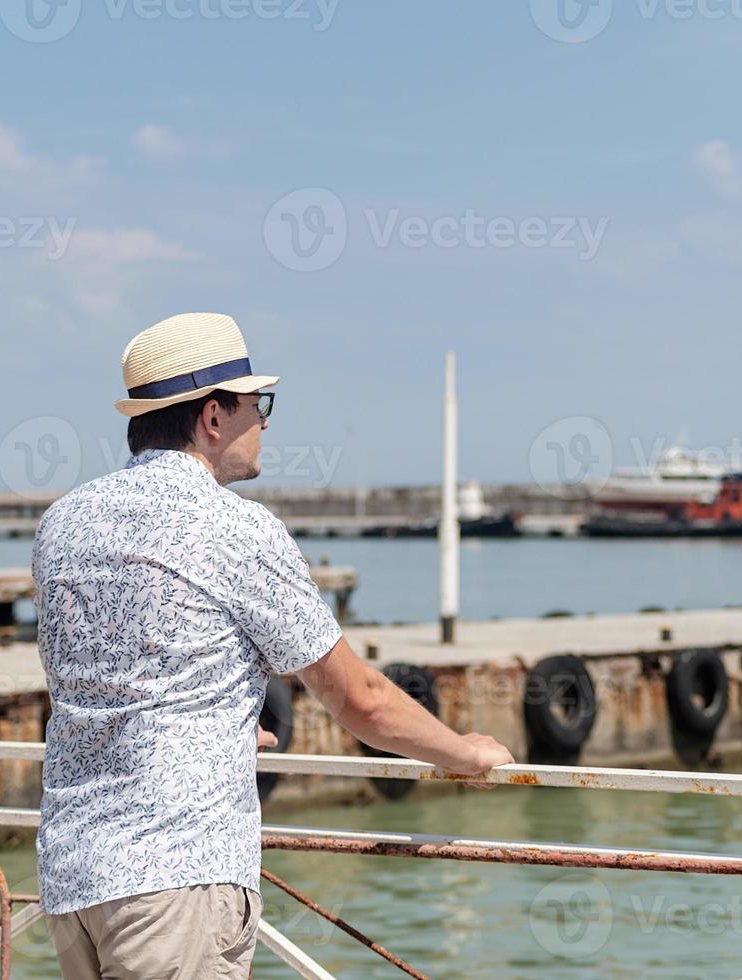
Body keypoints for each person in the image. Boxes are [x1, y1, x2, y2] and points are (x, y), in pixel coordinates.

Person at [34, 312, 514, 979]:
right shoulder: (234, 528)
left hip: (72, 872)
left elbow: (102, 678)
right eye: (257, 405)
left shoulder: (65, 520)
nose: (264, 421)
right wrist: (463, 752)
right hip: (176, 875)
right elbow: (360, 700)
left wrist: (217, 728)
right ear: (212, 417)